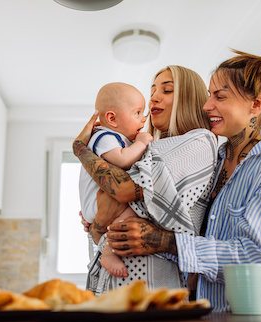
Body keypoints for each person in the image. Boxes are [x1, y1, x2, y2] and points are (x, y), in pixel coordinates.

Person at [96, 41, 261, 314]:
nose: (207, 106)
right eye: (209, 95)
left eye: (220, 96)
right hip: (208, 311)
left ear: (256, 103)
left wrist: (165, 241)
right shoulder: (214, 164)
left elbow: (252, 256)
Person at [74, 65, 218, 295]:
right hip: (115, 286)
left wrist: (80, 148)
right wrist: (96, 224)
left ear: (188, 98)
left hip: (148, 289)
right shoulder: (145, 149)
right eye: (152, 91)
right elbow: (106, 211)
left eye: (167, 90)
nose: (154, 98)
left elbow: (120, 192)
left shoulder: (199, 141)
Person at [79, 82, 153, 278]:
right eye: (137, 113)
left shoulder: (115, 138)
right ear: (112, 118)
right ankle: (109, 252)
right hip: (97, 204)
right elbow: (122, 160)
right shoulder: (104, 136)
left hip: (98, 206)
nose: (144, 119)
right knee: (134, 209)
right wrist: (141, 143)